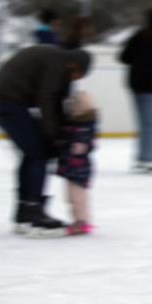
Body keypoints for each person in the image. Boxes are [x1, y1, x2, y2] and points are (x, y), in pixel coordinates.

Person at [0, 45, 92, 236]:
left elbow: (57, 100)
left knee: (34, 153)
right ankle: (32, 213)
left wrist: (59, 131)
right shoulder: (56, 63)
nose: (76, 80)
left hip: (10, 101)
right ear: (74, 65)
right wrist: (54, 135)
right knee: (38, 153)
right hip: (7, 102)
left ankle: (25, 211)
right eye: (78, 75)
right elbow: (47, 98)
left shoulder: (59, 63)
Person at [119, 8, 152, 173]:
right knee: (151, 123)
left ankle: (143, 157)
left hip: (134, 82)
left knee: (144, 122)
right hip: (149, 84)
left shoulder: (137, 36)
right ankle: (147, 159)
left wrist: (138, 62)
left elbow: (123, 57)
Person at [56, 90, 98, 235]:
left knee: (78, 196)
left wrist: (81, 146)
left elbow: (88, 143)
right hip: (71, 167)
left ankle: (82, 221)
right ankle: (77, 220)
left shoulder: (85, 126)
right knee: (71, 197)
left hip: (79, 168)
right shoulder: (74, 124)